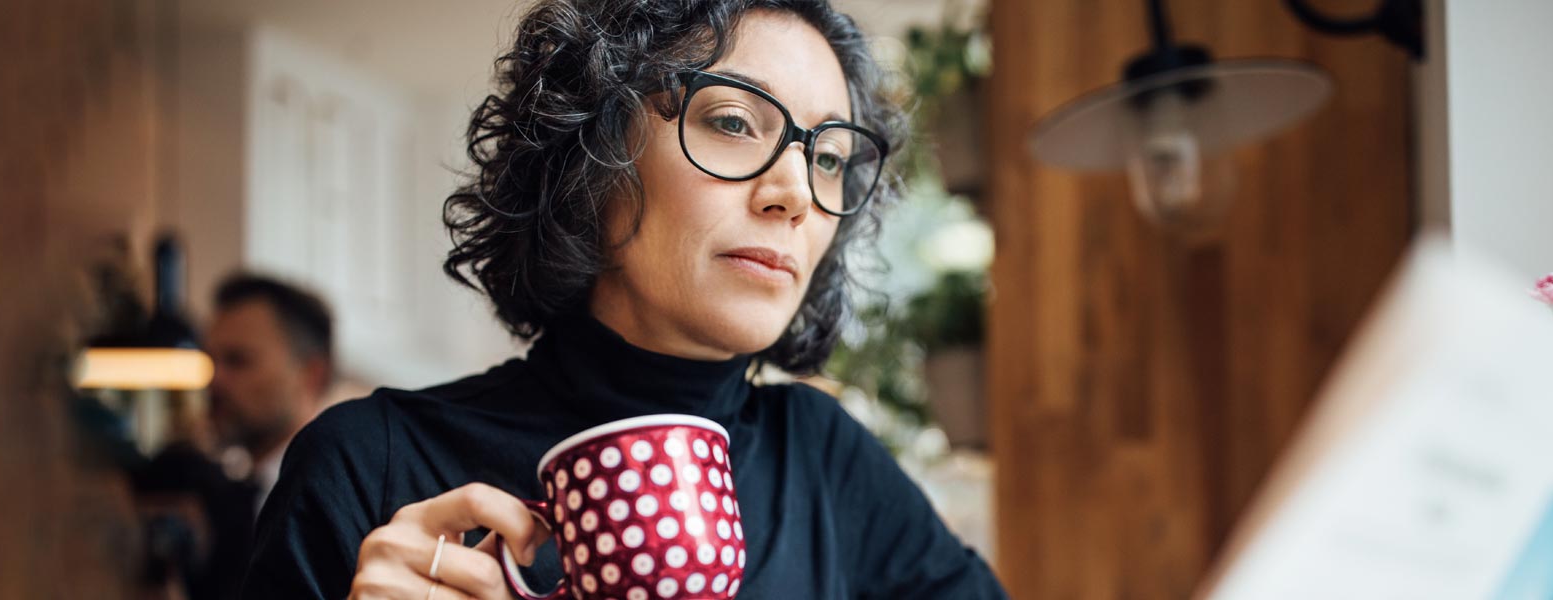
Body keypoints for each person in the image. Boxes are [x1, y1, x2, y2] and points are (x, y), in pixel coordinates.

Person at [242, 1, 1008, 598]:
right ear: (594, 150)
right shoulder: (371, 467)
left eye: (832, 157)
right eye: (735, 122)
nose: (797, 193)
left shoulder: (823, 459)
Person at [204, 272, 337, 514]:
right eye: (211, 361)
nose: (215, 380)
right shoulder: (226, 495)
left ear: (311, 374)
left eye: (238, 361)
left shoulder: (335, 500)